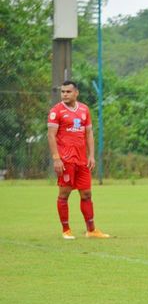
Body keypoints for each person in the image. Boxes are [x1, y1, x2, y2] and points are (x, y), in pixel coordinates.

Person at [47, 81, 110, 240]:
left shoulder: (84, 109)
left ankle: (91, 230)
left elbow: (89, 133)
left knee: (87, 194)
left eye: (68, 91)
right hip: (66, 160)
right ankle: (66, 230)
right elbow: (51, 135)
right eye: (63, 92)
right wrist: (56, 158)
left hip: (82, 160)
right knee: (64, 193)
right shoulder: (56, 111)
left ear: (76, 93)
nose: (65, 94)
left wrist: (91, 156)